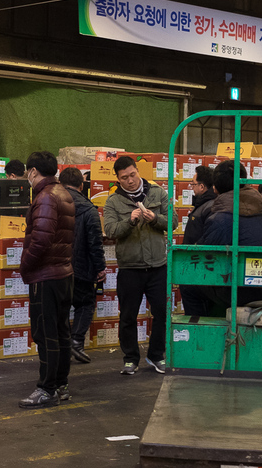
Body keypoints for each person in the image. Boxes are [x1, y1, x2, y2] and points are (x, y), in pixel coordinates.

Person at [181, 160, 262, 316]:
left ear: (215, 189)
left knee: (188, 282)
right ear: (244, 181)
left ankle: (200, 331)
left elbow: (206, 256)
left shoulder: (220, 217)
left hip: (240, 292)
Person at [19, 151, 76, 408]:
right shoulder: (64, 193)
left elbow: (41, 239)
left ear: (33, 171)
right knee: (61, 332)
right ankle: (61, 384)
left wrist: (26, 265)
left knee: (46, 334)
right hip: (63, 273)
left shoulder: (44, 197)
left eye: (26, 173)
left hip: (46, 276)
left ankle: (47, 388)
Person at [103, 155, 169, 375]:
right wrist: (129, 221)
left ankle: (156, 355)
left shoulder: (158, 193)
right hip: (130, 268)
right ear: (118, 179)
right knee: (128, 316)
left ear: (138, 171)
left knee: (161, 313)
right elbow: (111, 231)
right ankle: (130, 359)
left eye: (132, 175)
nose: (130, 180)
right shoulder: (113, 201)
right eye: (124, 178)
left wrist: (155, 219)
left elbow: (174, 222)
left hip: (158, 266)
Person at [59, 166, 105, 365]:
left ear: (60, 184)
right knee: (85, 304)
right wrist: (100, 268)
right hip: (81, 268)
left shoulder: (49, 204)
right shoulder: (89, 209)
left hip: (55, 269)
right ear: (81, 185)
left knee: (58, 307)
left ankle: (60, 345)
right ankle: (76, 341)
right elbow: (95, 243)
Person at [182, 165, 216, 245]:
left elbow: (207, 236)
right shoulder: (201, 205)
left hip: (196, 255)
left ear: (201, 187)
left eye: (193, 184)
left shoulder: (210, 207)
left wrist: (194, 248)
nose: (192, 188)